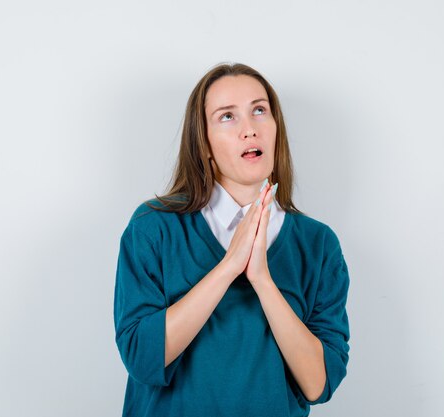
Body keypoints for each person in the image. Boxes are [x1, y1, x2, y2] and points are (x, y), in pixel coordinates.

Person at [113, 62, 350, 417]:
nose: (249, 129)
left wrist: (262, 280)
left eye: (259, 110)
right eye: (227, 116)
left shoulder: (317, 245)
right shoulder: (153, 227)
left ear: (275, 130)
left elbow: (318, 384)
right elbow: (141, 358)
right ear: (204, 144)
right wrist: (227, 268)